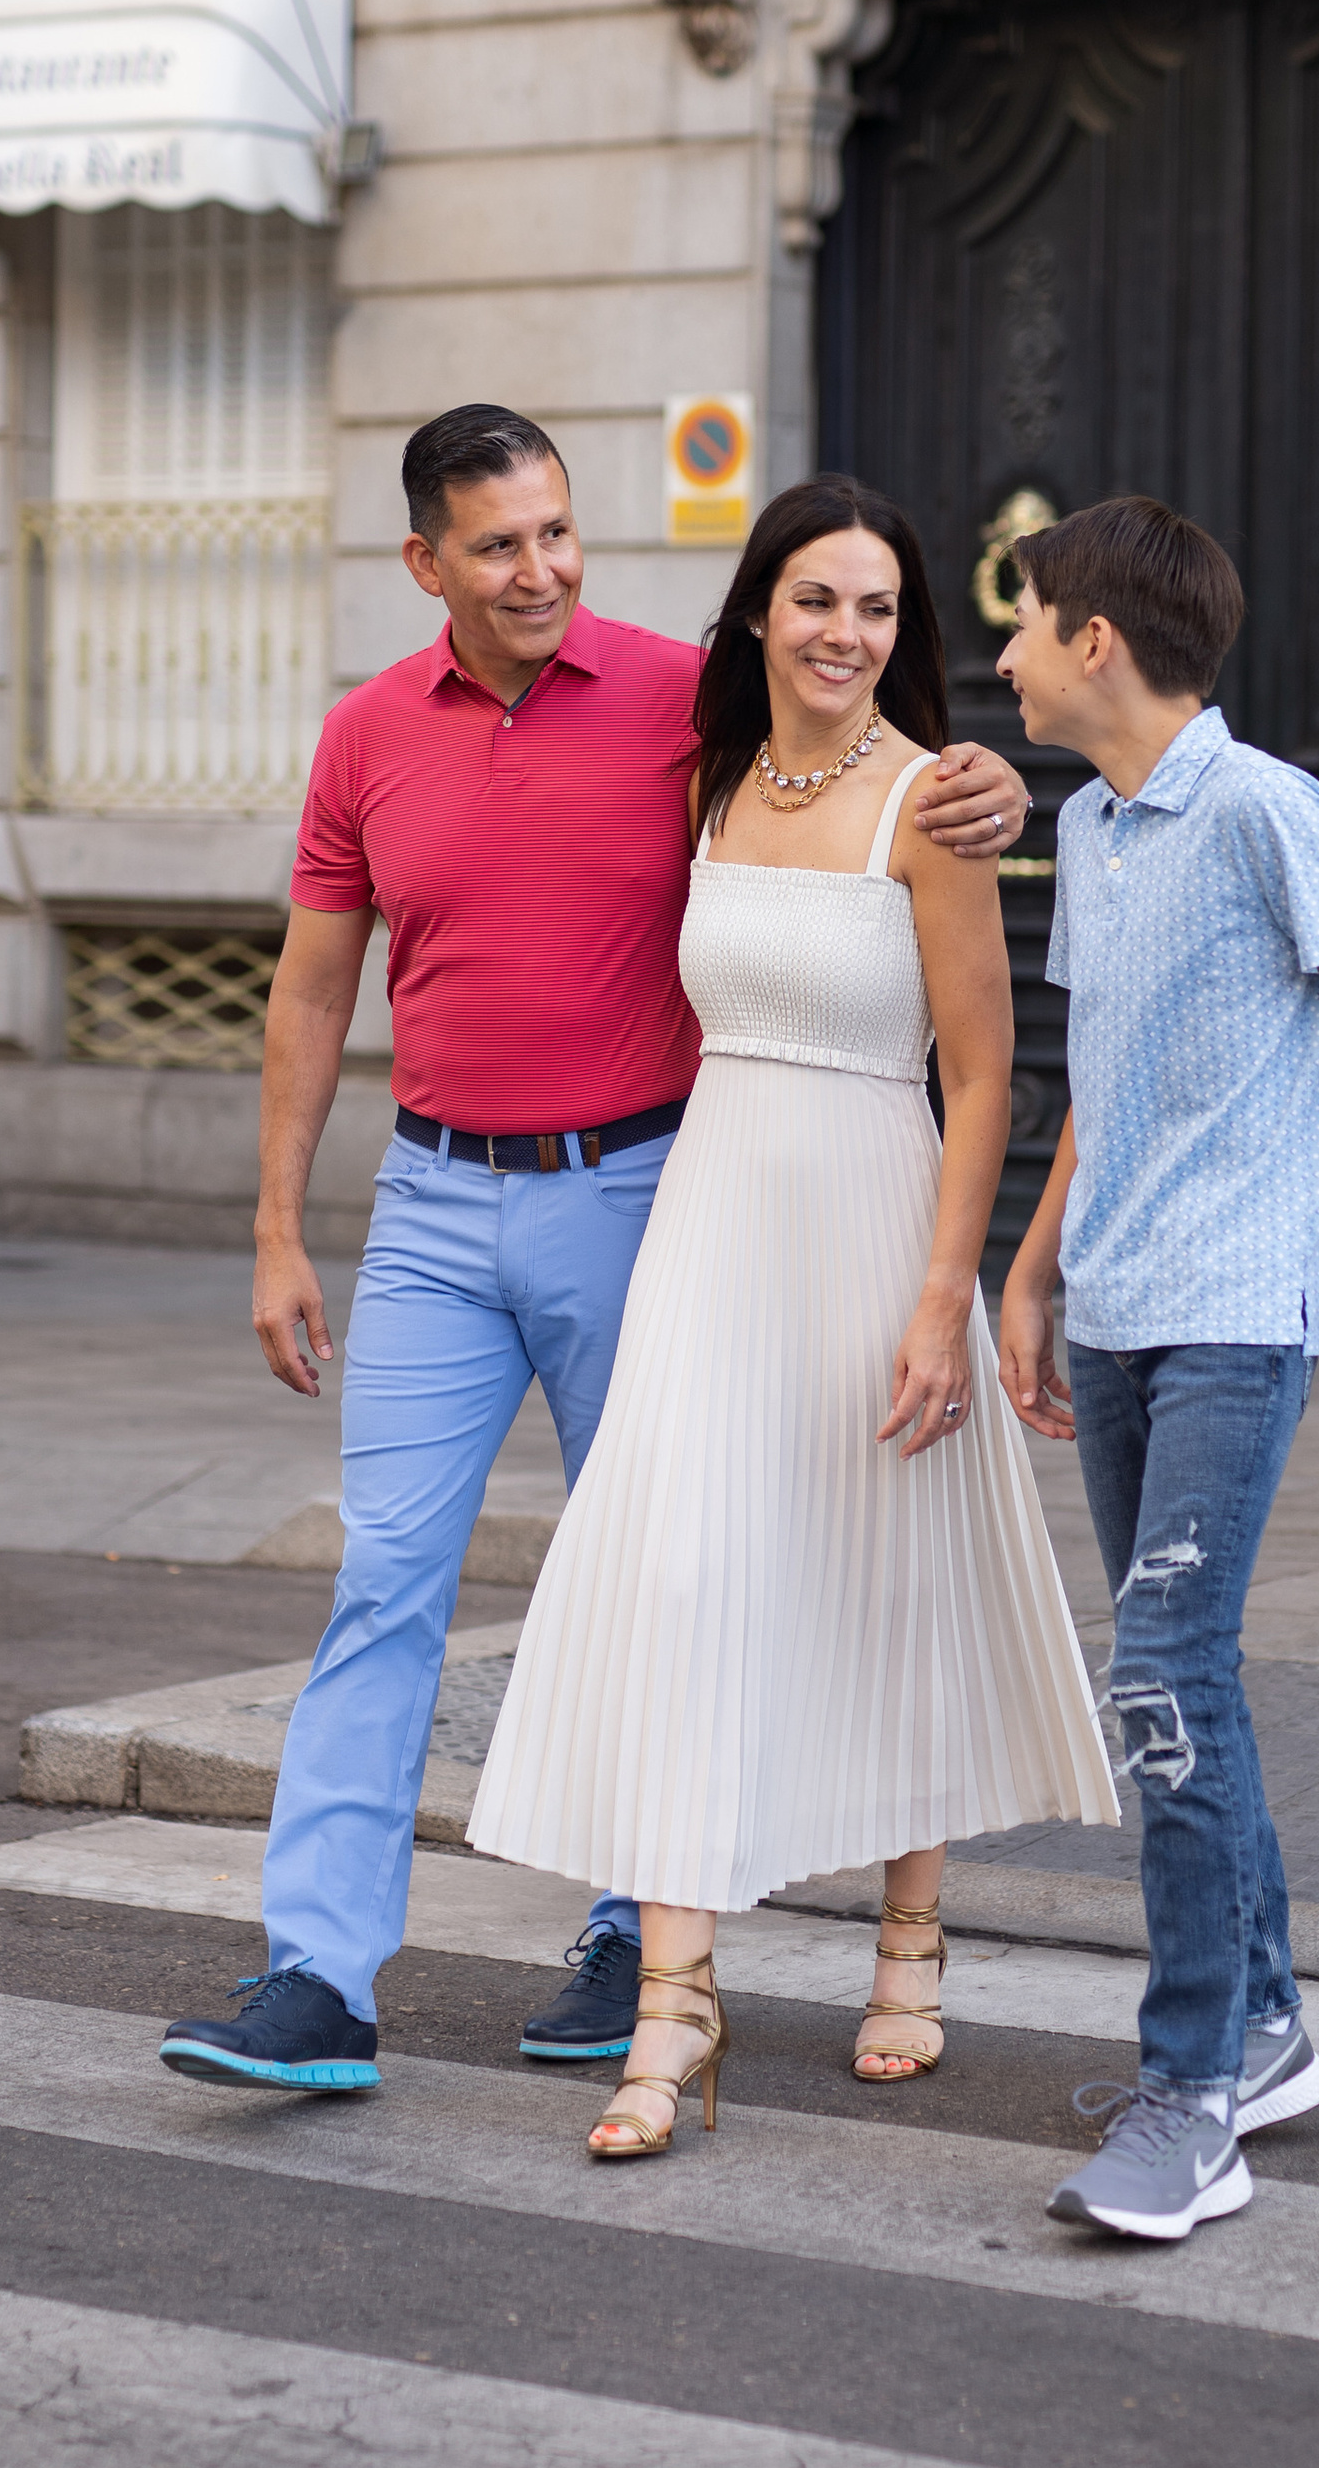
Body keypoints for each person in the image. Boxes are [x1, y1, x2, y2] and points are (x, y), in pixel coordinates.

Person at [158, 410, 1032, 2099]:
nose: (539, 569)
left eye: (556, 532)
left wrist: (981, 777)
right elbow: (313, 990)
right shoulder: (362, 738)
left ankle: (641, 1934)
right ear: (425, 563)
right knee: (381, 1582)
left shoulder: (675, 701)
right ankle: (318, 1977)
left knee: (657, 1575)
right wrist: (276, 1227)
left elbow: (844, 736)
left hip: (641, 1193)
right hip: (430, 1205)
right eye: (497, 545)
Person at [467, 476, 1122, 2158]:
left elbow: (986, 1077)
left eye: (879, 608)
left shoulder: (932, 802)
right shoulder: (709, 779)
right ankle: (677, 2003)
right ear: (760, 608)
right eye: (818, 599)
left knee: (894, 1574)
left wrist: (944, 1298)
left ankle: (911, 1941)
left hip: (875, 1221)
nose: (846, 633)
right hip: (713, 1224)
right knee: (683, 1577)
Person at [993, 494, 1319, 2245]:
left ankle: (1192, 2094)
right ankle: (1264, 2026)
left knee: (1161, 1678)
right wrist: (1032, 1271)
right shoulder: (1091, 827)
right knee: (1185, 1677)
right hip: (1117, 1305)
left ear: (1096, 641)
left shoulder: (1270, 808)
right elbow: (1101, 1080)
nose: (1004, 652)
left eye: (1024, 621)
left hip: (1239, 1309)